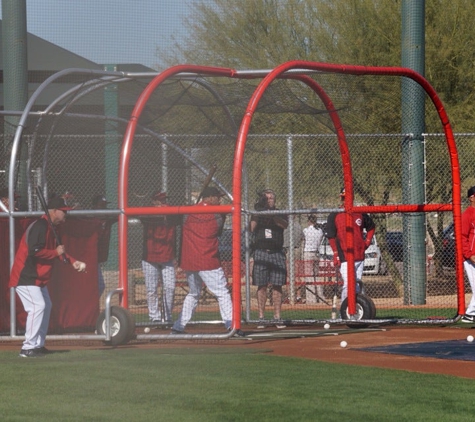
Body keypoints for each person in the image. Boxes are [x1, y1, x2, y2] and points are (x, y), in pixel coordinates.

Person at [8, 195, 86, 358]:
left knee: (46, 306)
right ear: (55, 211)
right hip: (26, 276)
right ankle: (27, 347)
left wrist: (73, 261)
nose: (66, 214)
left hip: (38, 279)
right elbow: (34, 251)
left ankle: (37, 345)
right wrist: (55, 252)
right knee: (38, 307)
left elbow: (59, 251)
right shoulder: (40, 226)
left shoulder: (53, 228)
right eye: (64, 211)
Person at [172, 186, 233, 334]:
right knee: (222, 292)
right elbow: (218, 230)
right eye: (217, 198)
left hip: (189, 261)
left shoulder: (187, 213)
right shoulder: (217, 214)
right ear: (210, 198)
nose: (219, 200)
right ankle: (231, 325)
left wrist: (194, 209)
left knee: (194, 293)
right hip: (207, 260)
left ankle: (178, 326)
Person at [326, 187, 375, 302]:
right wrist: (335, 253)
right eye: (343, 198)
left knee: (357, 285)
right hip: (345, 256)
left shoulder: (360, 213)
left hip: (359, 255)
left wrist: (366, 242)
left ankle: (356, 312)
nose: (345, 201)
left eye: (347, 198)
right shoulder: (335, 214)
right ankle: (345, 312)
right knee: (348, 285)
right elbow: (331, 236)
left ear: (352, 198)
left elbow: (371, 227)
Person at [250, 189, 288, 328]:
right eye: (266, 198)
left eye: (271, 198)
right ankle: (261, 317)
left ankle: (277, 317)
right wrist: (258, 213)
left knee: (277, 285)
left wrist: (271, 215)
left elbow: (284, 225)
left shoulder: (279, 212)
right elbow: (251, 228)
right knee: (262, 286)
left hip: (277, 252)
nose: (269, 200)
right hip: (261, 252)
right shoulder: (258, 213)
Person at [141, 191, 178, 325]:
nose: (163, 203)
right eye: (160, 201)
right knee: (151, 290)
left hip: (167, 257)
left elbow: (179, 217)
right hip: (149, 258)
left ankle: (167, 317)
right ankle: (155, 318)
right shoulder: (148, 214)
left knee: (170, 287)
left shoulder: (171, 213)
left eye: (164, 200)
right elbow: (142, 216)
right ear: (154, 202)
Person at [91, 194, 116, 298]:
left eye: (104, 206)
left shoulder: (107, 219)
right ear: (95, 207)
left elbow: (120, 215)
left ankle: (92, 309)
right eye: (101, 206)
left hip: (96, 259)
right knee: (98, 286)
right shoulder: (89, 218)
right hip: (87, 258)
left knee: (100, 286)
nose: (104, 209)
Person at [301, 214, 325, 303]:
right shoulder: (320, 231)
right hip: (316, 253)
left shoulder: (306, 230)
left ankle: (311, 299)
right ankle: (321, 296)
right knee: (317, 276)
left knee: (309, 276)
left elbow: (303, 239)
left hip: (308, 253)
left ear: (309, 221)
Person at [460, 186, 475, 323]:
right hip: (471, 258)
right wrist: (469, 255)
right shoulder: (467, 214)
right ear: (471, 198)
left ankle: (471, 313)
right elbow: (462, 237)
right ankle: (470, 314)